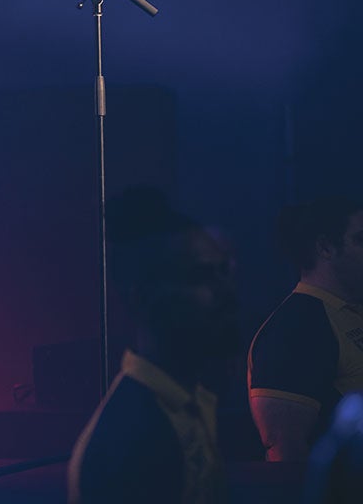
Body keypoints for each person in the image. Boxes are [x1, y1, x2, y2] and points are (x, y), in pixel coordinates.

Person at [67, 186, 238, 503]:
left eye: (224, 272)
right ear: (143, 298)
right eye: (200, 276)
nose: (225, 291)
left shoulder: (186, 402)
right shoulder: (128, 440)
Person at [248, 196, 363, 462]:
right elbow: (286, 451)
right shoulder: (295, 329)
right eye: (361, 239)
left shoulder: (347, 312)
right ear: (325, 247)